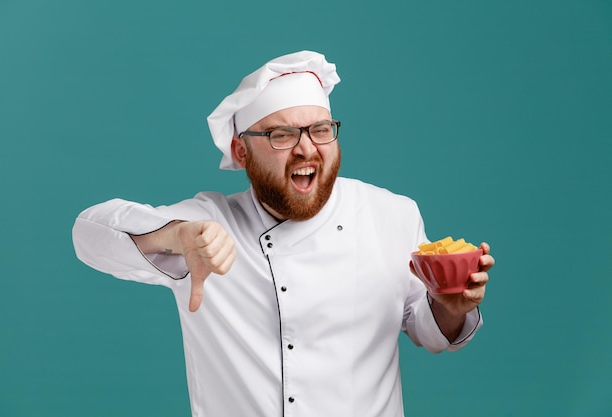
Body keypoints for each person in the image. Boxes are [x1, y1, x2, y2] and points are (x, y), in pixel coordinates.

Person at [72, 50, 494, 417]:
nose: (307, 148)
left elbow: (425, 329)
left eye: (320, 129)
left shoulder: (392, 215)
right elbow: (89, 232)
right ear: (241, 151)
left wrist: (450, 308)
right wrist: (177, 236)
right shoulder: (208, 225)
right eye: (281, 134)